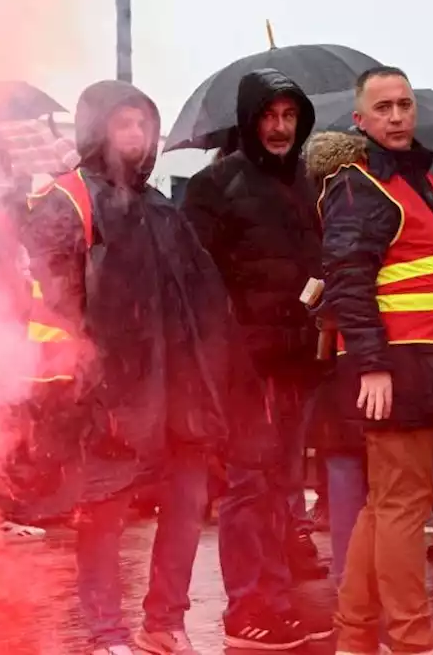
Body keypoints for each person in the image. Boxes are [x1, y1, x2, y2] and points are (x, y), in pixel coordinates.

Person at [21, 80, 231, 655]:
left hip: (179, 390)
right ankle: (105, 633)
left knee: (187, 506)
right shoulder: (68, 202)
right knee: (104, 517)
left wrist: (215, 378)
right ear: (96, 129)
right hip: (109, 394)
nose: (136, 136)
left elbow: (199, 300)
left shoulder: (162, 208)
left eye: (143, 124)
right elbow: (47, 303)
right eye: (123, 124)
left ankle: (165, 622)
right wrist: (77, 384)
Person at [308, 65, 433, 655]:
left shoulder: (414, 180)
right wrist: (372, 364)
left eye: (404, 104)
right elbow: (348, 281)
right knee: (402, 506)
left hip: (423, 362)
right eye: (383, 108)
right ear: (361, 120)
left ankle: (356, 637)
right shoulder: (362, 186)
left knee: (386, 506)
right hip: (402, 366)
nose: (398, 115)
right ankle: (411, 640)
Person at [181, 68, 332, 650]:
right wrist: (228, 356)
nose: (279, 127)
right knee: (250, 488)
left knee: (281, 487)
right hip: (244, 367)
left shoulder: (312, 182)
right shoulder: (214, 187)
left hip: (299, 362)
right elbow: (198, 283)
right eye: (269, 116)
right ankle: (248, 610)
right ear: (249, 120)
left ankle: (274, 602)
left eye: (289, 116)